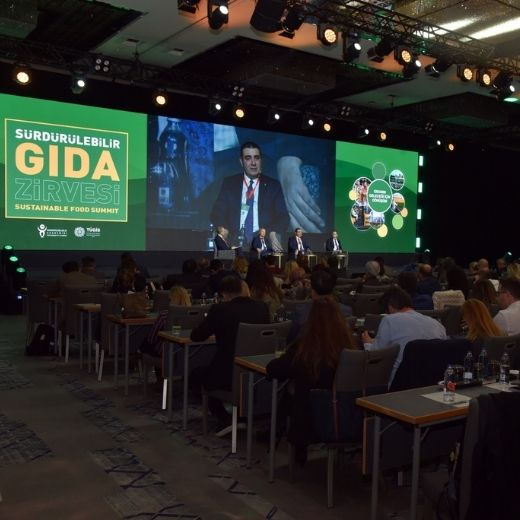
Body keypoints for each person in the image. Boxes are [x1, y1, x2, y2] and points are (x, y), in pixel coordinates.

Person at [266, 297, 359, 465]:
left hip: (310, 416)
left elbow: (275, 369)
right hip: (345, 411)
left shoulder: (304, 348)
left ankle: (275, 436)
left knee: (290, 391)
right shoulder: (351, 345)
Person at [189, 276, 270, 435]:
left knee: (195, 375)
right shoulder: (262, 307)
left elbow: (197, 336)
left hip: (227, 374)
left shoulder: (219, 309)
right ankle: (241, 416)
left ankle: (223, 417)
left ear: (224, 294)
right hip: (257, 373)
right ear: (242, 289)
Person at [362, 286, 447, 385]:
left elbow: (375, 356)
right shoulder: (437, 325)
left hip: (401, 386)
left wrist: (367, 343)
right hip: (434, 385)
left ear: (390, 307)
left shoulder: (389, 320)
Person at [210, 142, 288, 244]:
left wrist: (273, 232)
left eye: (256, 158)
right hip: (234, 241)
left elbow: (283, 216)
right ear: (241, 162)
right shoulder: (230, 183)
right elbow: (217, 212)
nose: (253, 163)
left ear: (261, 161)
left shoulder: (273, 186)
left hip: (263, 242)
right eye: (248, 158)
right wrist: (222, 228)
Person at [286, 269, 352, 343]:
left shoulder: (300, 312)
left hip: (308, 349)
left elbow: (291, 340)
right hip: (337, 349)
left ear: (313, 291)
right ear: (333, 289)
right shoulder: (347, 311)